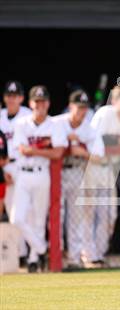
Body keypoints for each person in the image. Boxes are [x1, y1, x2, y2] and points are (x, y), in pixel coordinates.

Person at [10, 85, 67, 273]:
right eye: (36, 101)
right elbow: (21, 150)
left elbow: (58, 152)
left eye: (43, 101)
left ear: (48, 103)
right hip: (24, 174)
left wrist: (34, 150)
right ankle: (42, 248)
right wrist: (44, 150)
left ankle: (35, 260)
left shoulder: (55, 124)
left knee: (39, 219)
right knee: (17, 218)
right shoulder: (21, 124)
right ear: (30, 103)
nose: (39, 105)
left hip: (43, 173)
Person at [84, 86, 120, 267]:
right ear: (114, 101)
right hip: (91, 168)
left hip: (109, 171)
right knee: (89, 214)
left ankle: (99, 253)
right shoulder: (104, 113)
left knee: (109, 215)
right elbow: (91, 138)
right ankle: (88, 255)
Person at [54, 90, 105, 269]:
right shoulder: (57, 122)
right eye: (78, 107)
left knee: (74, 218)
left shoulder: (89, 129)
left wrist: (81, 150)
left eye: (84, 108)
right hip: (57, 174)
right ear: (70, 106)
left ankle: (74, 258)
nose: (82, 111)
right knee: (56, 216)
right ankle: (56, 256)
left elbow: (99, 156)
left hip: (76, 172)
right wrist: (69, 143)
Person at [0, 81, 31, 263]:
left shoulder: (28, 115)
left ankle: (30, 253)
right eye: (9, 96)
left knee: (29, 213)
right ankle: (18, 255)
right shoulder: (0, 116)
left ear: (21, 98)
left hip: (24, 165)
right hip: (5, 167)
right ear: (5, 98)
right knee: (13, 212)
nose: (12, 99)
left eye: (15, 96)